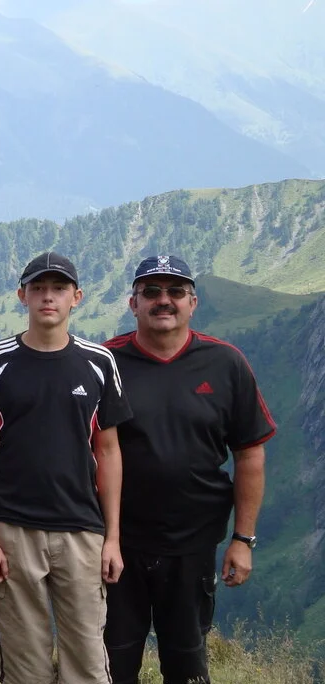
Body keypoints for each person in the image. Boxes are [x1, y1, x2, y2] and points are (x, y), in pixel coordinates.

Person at [0, 251, 130, 684]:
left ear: (77, 297)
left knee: (88, 665)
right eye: (38, 288)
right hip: (12, 530)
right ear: (22, 296)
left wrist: (113, 538)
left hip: (82, 531)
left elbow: (108, 452)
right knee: (24, 667)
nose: (47, 297)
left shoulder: (99, 363)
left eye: (57, 289)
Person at [103, 255, 276, 684]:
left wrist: (243, 539)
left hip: (192, 542)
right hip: (115, 545)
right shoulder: (105, 363)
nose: (164, 301)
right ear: (133, 303)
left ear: (192, 303)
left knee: (186, 663)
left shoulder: (226, 363)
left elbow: (250, 453)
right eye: (152, 293)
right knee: (110, 662)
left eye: (175, 292)